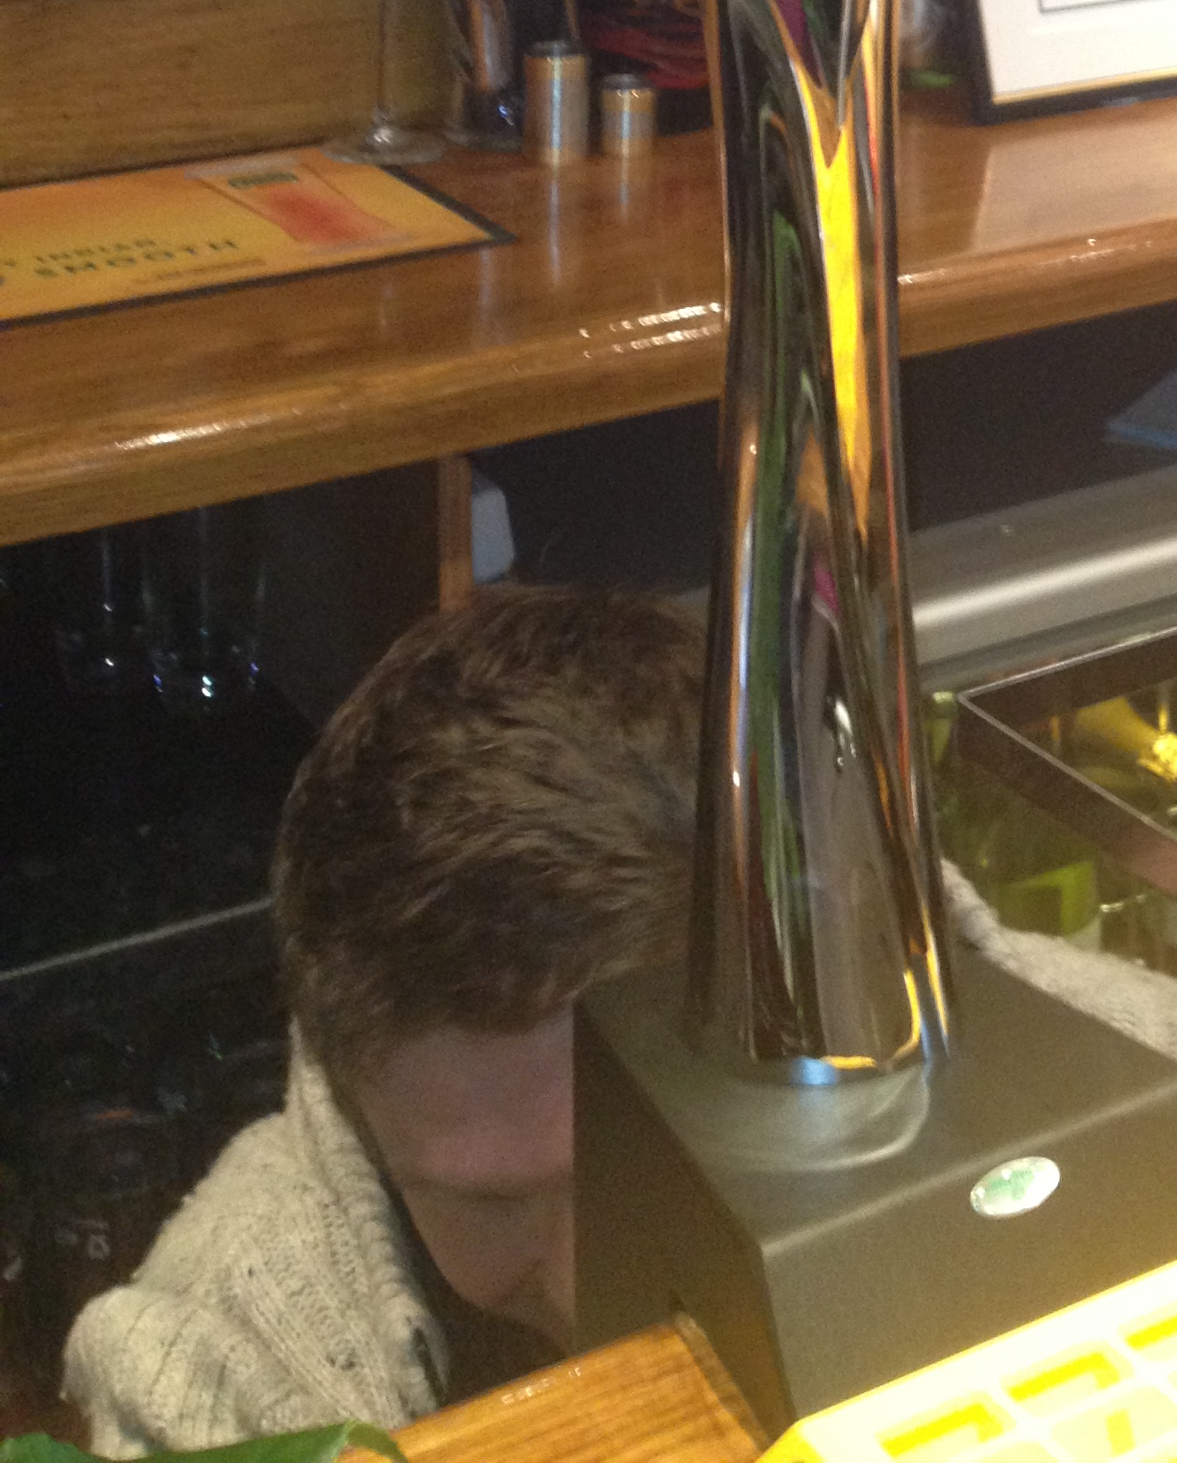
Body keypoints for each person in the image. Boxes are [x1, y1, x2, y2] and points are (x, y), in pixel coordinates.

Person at [65, 583, 702, 1456]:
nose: (581, 1288)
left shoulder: (881, 1050)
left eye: (643, 1166)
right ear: (360, 1109)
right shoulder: (211, 1359)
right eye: (492, 1204)